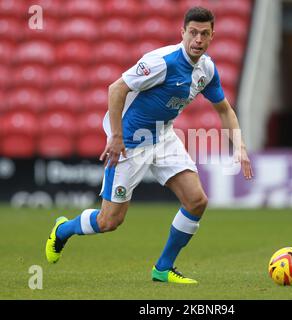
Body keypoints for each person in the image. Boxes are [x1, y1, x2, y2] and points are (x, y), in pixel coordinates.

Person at [45, 6, 254, 284]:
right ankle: (63, 230)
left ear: (213, 35)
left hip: (163, 136)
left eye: (205, 34)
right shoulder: (161, 62)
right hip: (131, 141)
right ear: (183, 32)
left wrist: (239, 146)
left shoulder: (206, 69)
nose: (198, 40)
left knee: (196, 201)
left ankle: (163, 269)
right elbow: (116, 88)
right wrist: (116, 137)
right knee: (109, 222)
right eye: (193, 32)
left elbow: (224, 109)